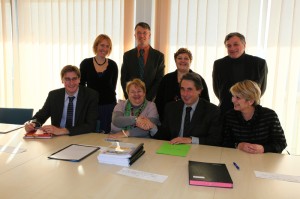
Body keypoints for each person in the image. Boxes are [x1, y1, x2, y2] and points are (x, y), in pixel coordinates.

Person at [147, 73, 222, 145]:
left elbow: (215, 140)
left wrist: (191, 140)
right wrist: (152, 127)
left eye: (189, 89)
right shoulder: (171, 108)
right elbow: (165, 135)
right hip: (174, 151)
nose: (185, 94)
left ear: (199, 91)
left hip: (199, 153)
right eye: (182, 89)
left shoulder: (212, 111)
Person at [25, 65, 99, 136]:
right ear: (62, 80)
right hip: (57, 138)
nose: (71, 83)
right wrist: (32, 124)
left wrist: (63, 131)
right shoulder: (54, 95)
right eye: (67, 79)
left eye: (74, 79)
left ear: (79, 79)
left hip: (80, 136)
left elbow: (91, 125)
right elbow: (40, 116)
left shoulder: (91, 95)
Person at [222, 80, 287, 154]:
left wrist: (263, 148)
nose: (233, 100)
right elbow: (224, 142)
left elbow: (281, 143)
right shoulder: (230, 116)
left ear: (250, 101)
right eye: (233, 96)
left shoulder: (269, 116)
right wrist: (238, 145)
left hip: (265, 161)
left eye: (238, 97)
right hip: (237, 160)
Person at [212, 32, 268, 114]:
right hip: (226, 111)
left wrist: (247, 102)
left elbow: (260, 89)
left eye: (236, 44)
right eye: (229, 46)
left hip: (250, 111)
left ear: (244, 45)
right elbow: (217, 89)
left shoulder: (259, 63)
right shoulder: (219, 64)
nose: (232, 48)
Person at [155, 48, 210, 121]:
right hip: (169, 120)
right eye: (179, 58)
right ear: (175, 61)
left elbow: (205, 102)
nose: (182, 61)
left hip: (193, 121)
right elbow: (159, 102)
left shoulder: (199, 79)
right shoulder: (166, 79)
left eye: (186, 58)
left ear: (190, 61)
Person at [80, 34, 118, 133]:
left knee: (107, 135)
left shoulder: (113, 65)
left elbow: (113, 88)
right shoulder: (86, 64)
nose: (104, 48)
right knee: (91, 135)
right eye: (102, 45)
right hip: (92, 106)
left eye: (107, 46)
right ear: (96, 46)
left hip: (109, 107)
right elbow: (81, 87)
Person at [121, 22, 165, 101]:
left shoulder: (159, 57)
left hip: (151, 101)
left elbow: (159, 80)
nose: (141, 36)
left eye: (144, 33)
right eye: (139, 33)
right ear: (135, 35)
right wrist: (131, 97)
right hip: (132, 101)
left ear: (149, 35)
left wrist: (146, 99)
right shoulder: (127, 55)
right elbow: (124, 79)